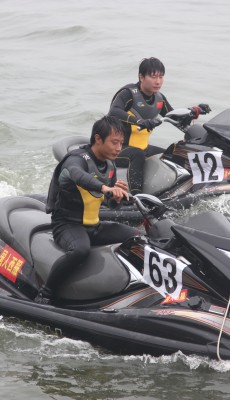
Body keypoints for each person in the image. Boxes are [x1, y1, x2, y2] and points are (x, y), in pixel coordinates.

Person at [36, 116, 140, 304]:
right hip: (66, 225)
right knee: (80, 250)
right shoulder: (76, 160)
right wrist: (105, 187)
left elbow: (110, 205)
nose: (119, 148)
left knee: (137, 238)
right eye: (114, 142)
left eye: (121, 143)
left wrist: (116, 197)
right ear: (98, 139)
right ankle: (45, 293)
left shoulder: (109, 165)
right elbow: (78, 176)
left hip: (94, 226)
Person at [108, 57, 211, 195]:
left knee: (171, 154)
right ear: (141, 77)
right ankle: (137, 197)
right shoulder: (128, 94)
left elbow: (175, 117)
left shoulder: (159, 98)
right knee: (137, 154)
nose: (158, 81)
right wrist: (139, 122)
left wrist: (194, 111)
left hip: (143, 148)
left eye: (161, 77)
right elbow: (114, 112)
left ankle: (181, 192)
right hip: (116, 150)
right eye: (153, 77)